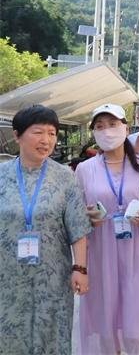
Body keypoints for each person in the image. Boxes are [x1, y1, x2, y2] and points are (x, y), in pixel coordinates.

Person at [0, 105, 91, 354]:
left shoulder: (65, 177)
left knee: (52, 335)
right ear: (17, 136)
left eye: (52, 133)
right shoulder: (2, 174)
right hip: (7, 277)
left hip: (52, 277)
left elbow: (77, 226)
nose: (46, 140)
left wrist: (80, 268)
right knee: (9, 337)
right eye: (38, 132)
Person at [76, 104, 139, 354]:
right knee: (105, 318)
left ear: (126, 128)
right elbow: (76, 213)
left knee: (134, 321)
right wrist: (85, 217)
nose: (107, 131)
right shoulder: (84, 169)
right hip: (101, 250)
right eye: (100, 127)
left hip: (136, 249)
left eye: (112, 124)